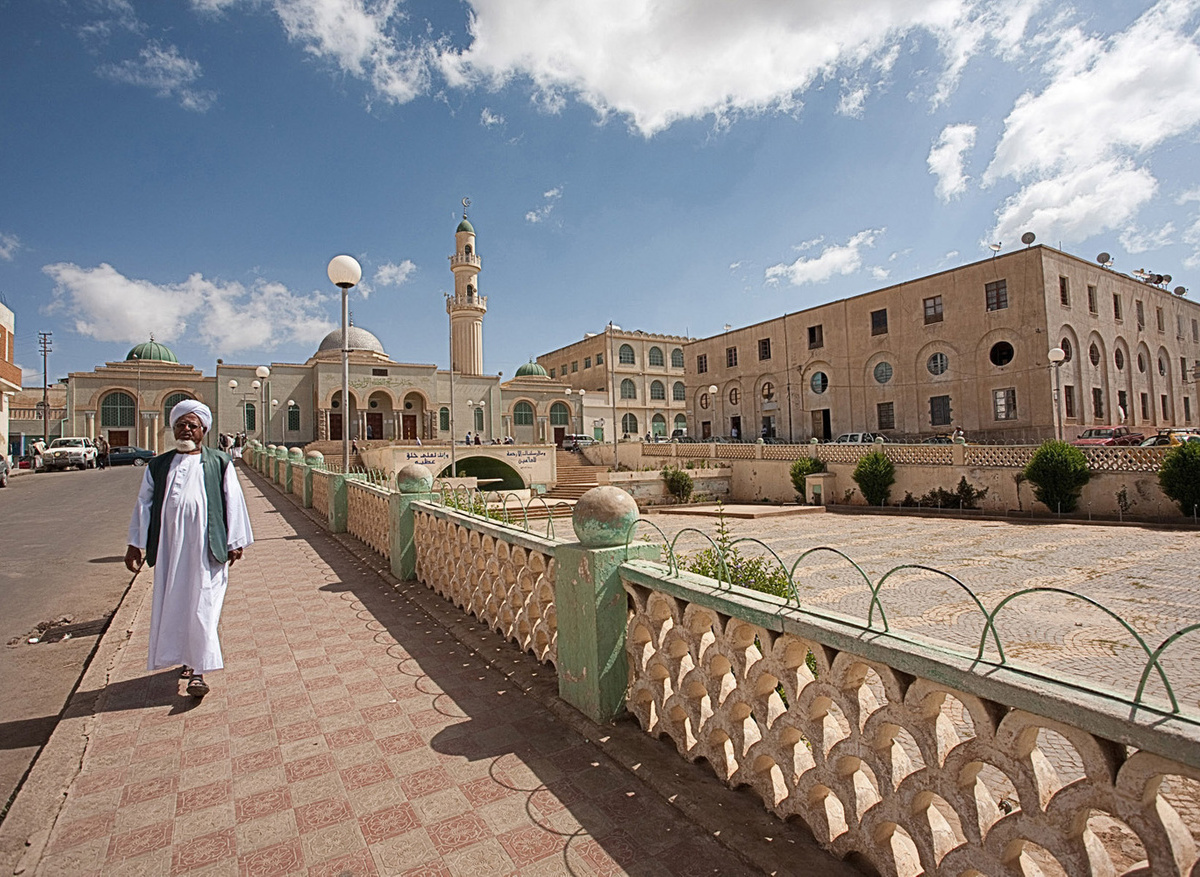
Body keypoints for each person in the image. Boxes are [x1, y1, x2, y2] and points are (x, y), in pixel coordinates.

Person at [124, 401, 253, 699]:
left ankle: (199, 671)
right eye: (181, 424)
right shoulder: (159, 465)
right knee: (177, 602)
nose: (186, 429)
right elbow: (145, 503)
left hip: (207, 548)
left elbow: (233, 500)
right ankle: (186, 657)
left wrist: (235, 541)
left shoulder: (219, 461)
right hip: (170, 549)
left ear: (203, 431)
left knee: (205, 604)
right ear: (173, 428)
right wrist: (136, 543)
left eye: (192, 425)